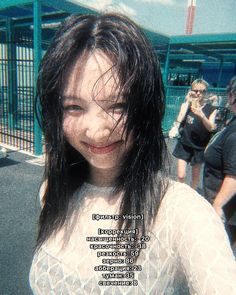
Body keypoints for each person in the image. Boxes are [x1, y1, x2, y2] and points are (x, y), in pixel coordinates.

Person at [29, 13, 236, 294]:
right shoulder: (51, 191)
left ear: (145, 107)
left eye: (118, 106)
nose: (97, 130)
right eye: (74, 107)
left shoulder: (181, 212)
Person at [203, 76, 236, 245]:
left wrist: (217, 205)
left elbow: (234, 176)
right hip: (224, 206)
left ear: (231, 96)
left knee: (218, 252)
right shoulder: (233, 122)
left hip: (225, 210)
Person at [170, 79, 217, 189]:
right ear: (191, 91)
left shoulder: (211, 108)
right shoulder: (187, 105)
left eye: (202, 91)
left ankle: (192, 195)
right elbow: (180, 118)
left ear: (206, 92)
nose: (198, 93)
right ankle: (179, 194)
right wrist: (187, 102)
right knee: (181, 176)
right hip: (185, 144)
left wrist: (201, 115)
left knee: (195, 177)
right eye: (195, 90)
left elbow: (211, 127)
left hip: (199, 147)